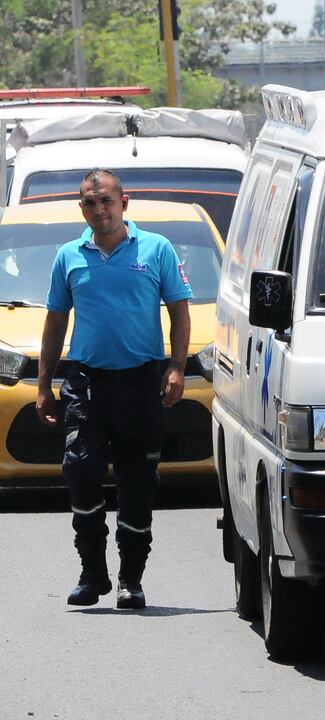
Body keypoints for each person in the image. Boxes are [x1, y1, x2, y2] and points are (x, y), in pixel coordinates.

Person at [36, 168, 192, 609]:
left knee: (137, 482)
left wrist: (176, 367)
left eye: (106, 200)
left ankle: (131, 579)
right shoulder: (69, 256)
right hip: (87, 382)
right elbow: (54, 322)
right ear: (81, 207)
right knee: (81, 471)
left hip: (142, 381)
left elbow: (179, 313)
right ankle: (92, 574)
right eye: (90, 202)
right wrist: (45, 384)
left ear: (124, 203)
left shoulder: (156, 249)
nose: (98, 209)